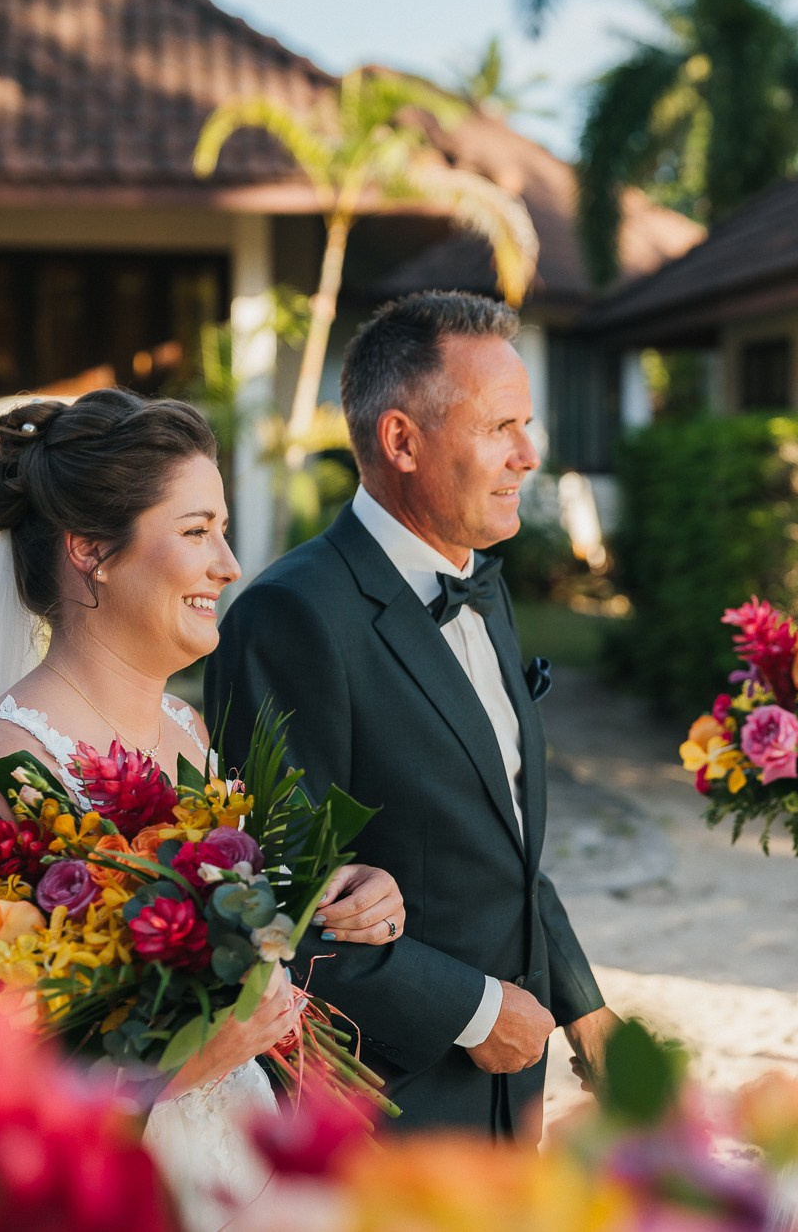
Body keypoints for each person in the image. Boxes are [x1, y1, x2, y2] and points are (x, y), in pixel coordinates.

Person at [0, 388, 403, 1232]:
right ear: (91, 550)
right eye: (196, 530)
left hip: (241, 1169)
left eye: (222, 528)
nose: (229, 563)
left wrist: (331, 893)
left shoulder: (189, 732)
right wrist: (156, 1073)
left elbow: (219, 948)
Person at [206, 290, 617, 1140]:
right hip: (385, 1110)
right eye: (500, 427)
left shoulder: (484, 586)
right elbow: (270, 907)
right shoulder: (290, 618)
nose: (529, 455)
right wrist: (472, 1011)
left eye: (527, 425)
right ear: (401, 440)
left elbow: (505, 849)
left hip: (516, 1093)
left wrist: (583, 1005)